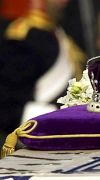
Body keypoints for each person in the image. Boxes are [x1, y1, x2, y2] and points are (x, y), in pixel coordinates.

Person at [0, 0, 86, 146]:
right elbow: (8, 102)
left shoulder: (60, 34)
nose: (64, 3)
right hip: (39, 136)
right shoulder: (25, 36)